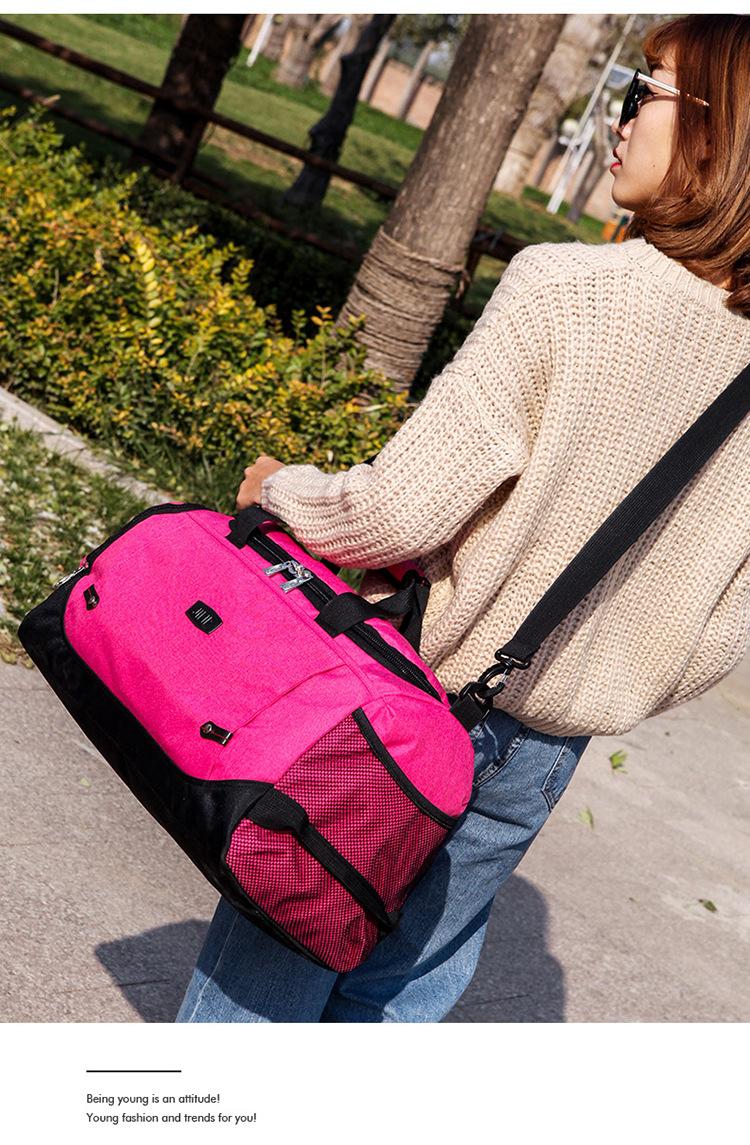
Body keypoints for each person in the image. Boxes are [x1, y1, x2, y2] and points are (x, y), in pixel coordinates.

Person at [176, 15, 750, 1023]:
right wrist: (611, 674)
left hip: (414, 700)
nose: (617, 119)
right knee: (395, 997)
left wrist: (278, 491)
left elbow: (397, 511)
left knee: (271, 977)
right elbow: (727, 626)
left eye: (643, 90)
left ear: (719, 130)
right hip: (548, 748)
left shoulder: (570, 291)